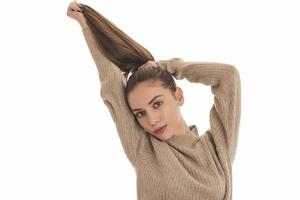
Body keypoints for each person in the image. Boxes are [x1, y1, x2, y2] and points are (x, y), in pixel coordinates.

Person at [67, 2, 241, 200]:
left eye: (157, 104)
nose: (151, 120)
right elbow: (112, 84)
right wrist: (87, 26)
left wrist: (166, 66)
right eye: (140, 113)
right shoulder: (143, 148)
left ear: (179, 96)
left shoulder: (217, 147)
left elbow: (228, 77)